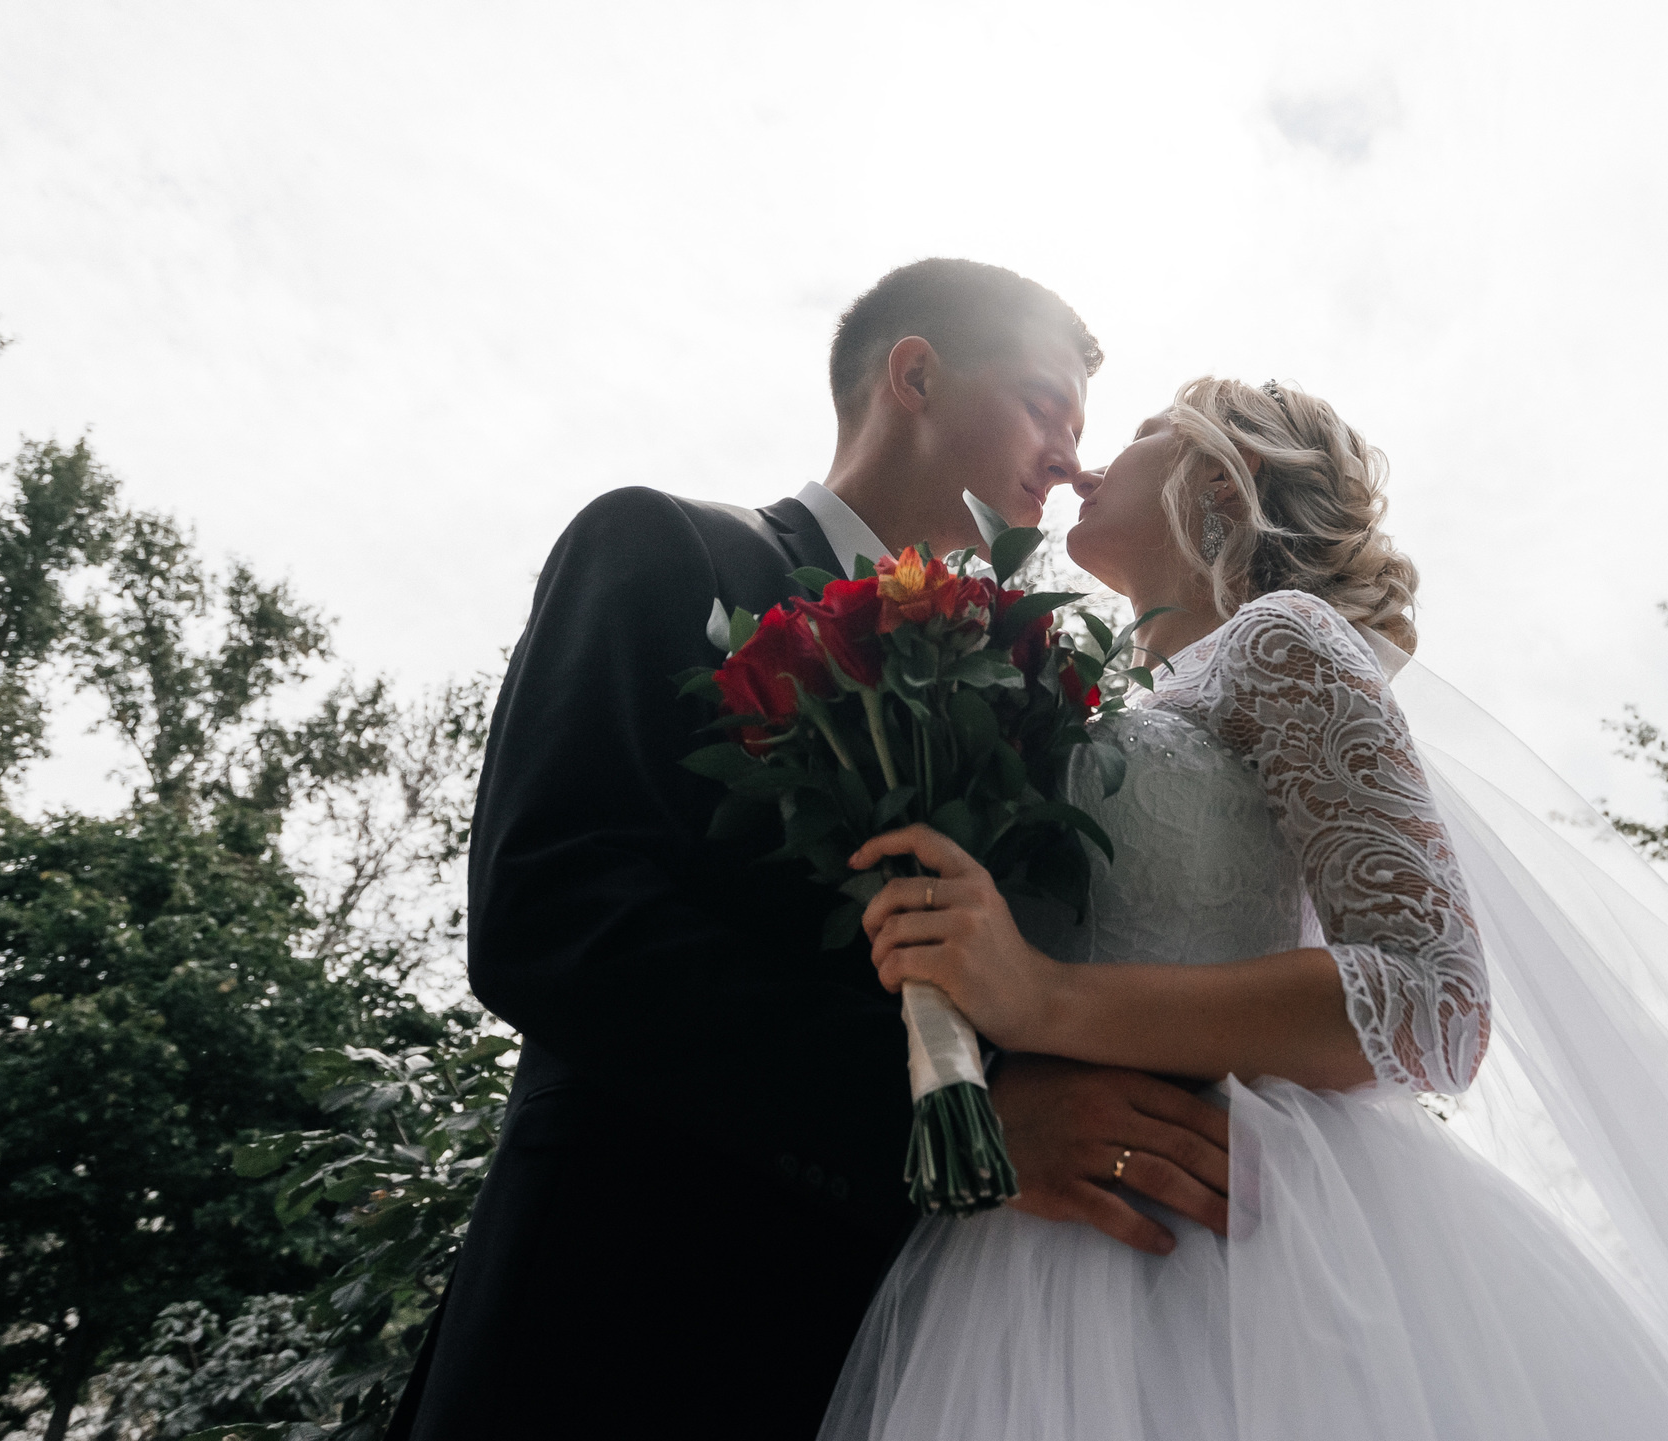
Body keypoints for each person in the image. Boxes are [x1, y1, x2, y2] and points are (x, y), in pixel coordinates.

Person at [817, 378, 1668, 1439]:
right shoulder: (1067, 702)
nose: (1087, 458)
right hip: (1028, 1243)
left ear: (1215, 480)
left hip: (1249, 1255)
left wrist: (1046, 997)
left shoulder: (1281, 644)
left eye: (1136, 432)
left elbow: (1432, 1001)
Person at [388, 260, 1236, 1440]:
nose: (1071, 460)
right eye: (1047, 406)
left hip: (922, 1358)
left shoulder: (1044, 710)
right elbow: (553, 910)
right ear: (915, 374)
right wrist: (962, 1110)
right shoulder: (666, 549)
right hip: (612, 1333)